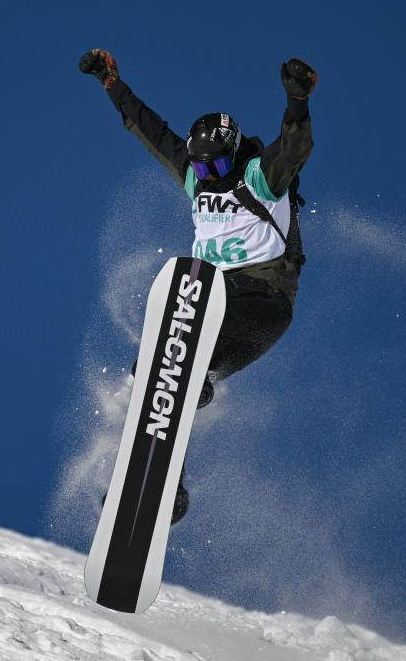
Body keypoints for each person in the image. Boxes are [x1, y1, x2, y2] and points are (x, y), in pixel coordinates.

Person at [80, 50, 317, 523]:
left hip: (262, 300)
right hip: (216, 306)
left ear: (233, 157)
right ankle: (164, 487)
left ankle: (188, 377)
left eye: (214, 169)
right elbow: (153, 133)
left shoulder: (260, 179)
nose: (206, 179)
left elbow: (293, 147)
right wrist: (112, 84)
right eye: (200, 170)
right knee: (165, 374)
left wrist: (297, 100)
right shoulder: (197, 181)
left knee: (180, 350)